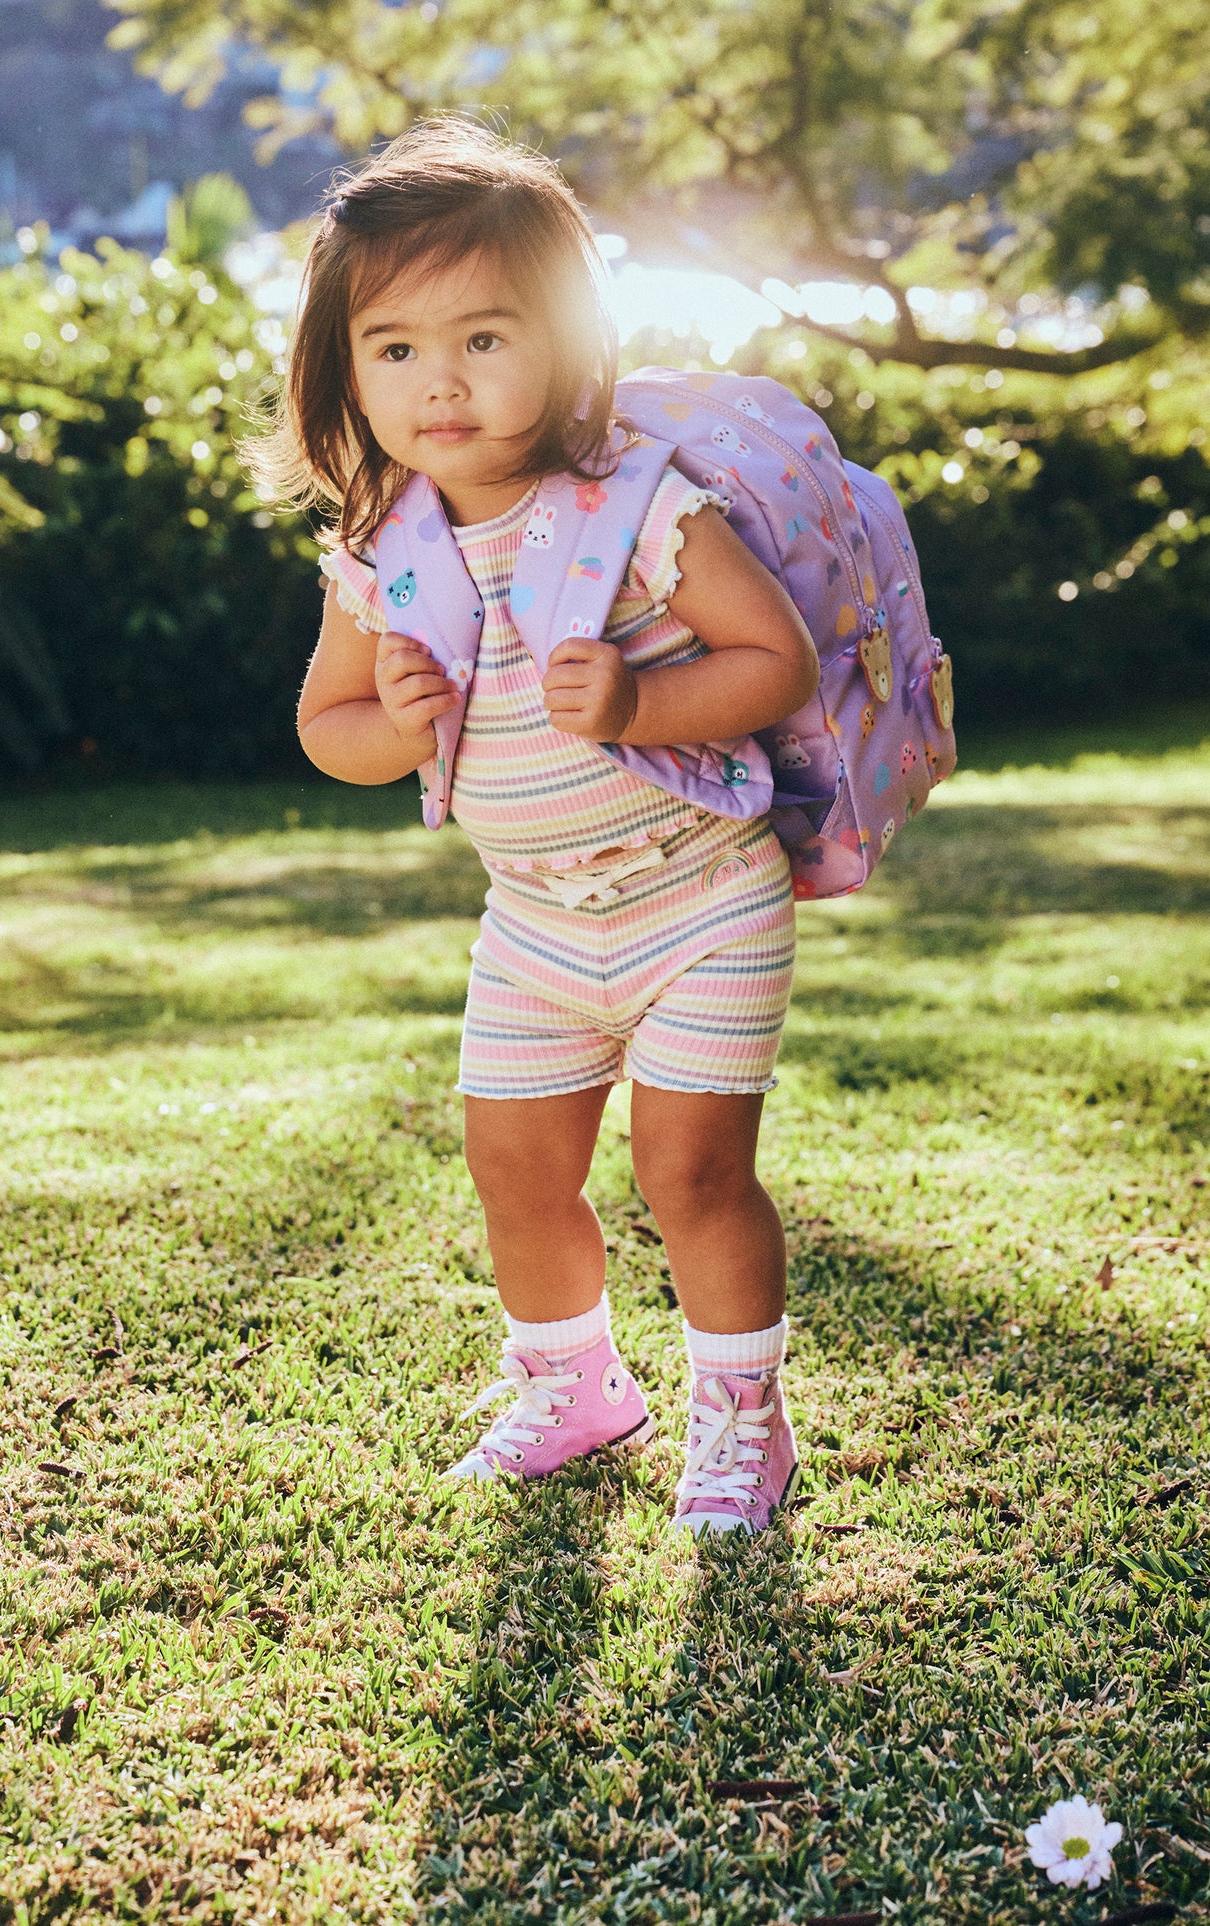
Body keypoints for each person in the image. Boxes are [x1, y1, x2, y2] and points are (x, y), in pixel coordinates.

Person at [255, 118, 820, 1535]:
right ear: (346, 370)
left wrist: (637, 697)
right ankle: (574, 1385)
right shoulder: (383, 547)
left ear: (566, 339)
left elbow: (776, 661)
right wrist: (394, 710)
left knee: (689, 1171)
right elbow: (329, 734)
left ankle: (742, 1419)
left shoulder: (634, 504)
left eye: (485, 337)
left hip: (696, 897)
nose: (438, 379)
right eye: (392, 348)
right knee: (512, 1167)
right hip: (533, 923)